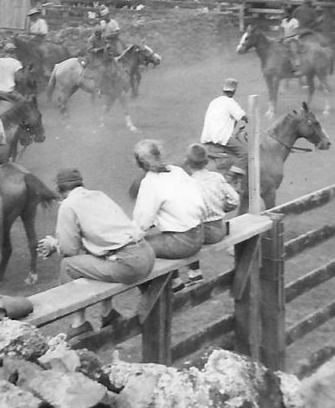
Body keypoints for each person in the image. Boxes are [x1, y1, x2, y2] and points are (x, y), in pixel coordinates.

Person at [37, 168, 155, 340]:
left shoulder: (68, 205)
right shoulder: (98, 195)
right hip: (146, 253)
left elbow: (70, 250)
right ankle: (108, 313)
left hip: (129, 263)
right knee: (97, 257)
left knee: (68, 265)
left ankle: (79, 324)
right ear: (80, 184)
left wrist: (54, 244)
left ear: (59, 190)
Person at [131, 139, 206, 269]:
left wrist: (130, 239)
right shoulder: (177, 171)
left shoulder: (150, 182)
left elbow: (142, 220)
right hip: (199, 234)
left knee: (135, 249)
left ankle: (170, 284)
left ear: (140, 162)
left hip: (181, 242)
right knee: (157, 237)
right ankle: (176, 280)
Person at [182, 143, 241, 285]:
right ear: (207, 161)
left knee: (183, 230)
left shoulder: (188, 183)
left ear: (187, 162)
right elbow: (234, 199)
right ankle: (193, 273)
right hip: (220, 228)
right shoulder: (216, 177)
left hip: (202, 234)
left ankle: (193, 273)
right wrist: (225, 208)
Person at [200, 78, 249, 190]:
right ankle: (230, 176)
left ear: (223, 89)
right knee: (245, 153)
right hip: (222, 138)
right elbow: (242, 116)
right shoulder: (230, 102)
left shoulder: (214, 101)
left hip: (208, 137)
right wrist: (250, 118)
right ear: (234, 91)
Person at [279, 5, 302, 75]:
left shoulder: (294, 21)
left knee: (293, 52)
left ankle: (298, 69)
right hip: (286, 40)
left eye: (285, 13)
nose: (284, 14)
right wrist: (281, 37)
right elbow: (282, 31)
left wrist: (294, 38)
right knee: (281, 52)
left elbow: (297, 32)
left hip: (293, 39)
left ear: (289, 13)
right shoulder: (284, 21)